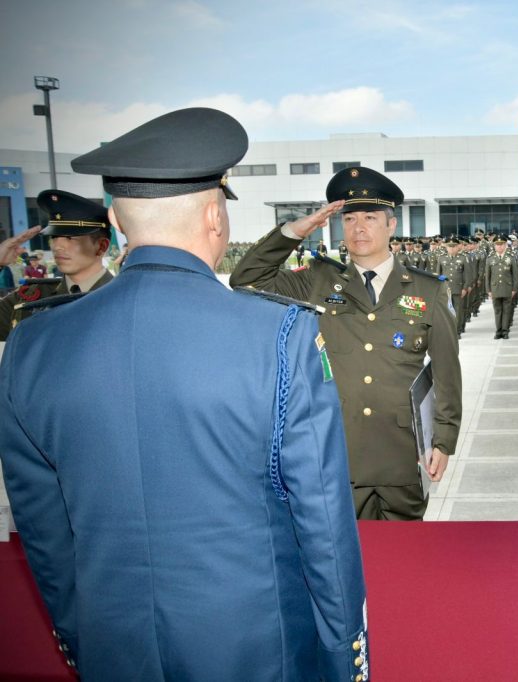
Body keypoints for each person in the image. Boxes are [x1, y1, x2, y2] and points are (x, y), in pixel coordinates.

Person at [0, 107, 368, 680]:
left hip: (113, 642)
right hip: (256, 645)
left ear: (118, 223)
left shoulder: (34, 344)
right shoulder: (279, 333)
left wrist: (83, 640)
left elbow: (44, 531)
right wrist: (346, 654)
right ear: (215, 215)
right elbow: (321, 516)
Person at [231, 166, 461, 521]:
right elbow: (246, 280)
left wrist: (443, 441)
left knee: (404, 561)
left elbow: (446, 371)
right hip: (337, 454)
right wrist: (295, 231)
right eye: (350, 219)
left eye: (370, 217)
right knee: (343, 565)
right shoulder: (319, 280)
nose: (359, 227)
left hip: (401, 457)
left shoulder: (426, 289)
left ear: (391, 225)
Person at [0, 192, 114, 341]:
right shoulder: (29, 298)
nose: (57, 247)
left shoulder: (124, 298)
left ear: (101, 246)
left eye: (70, 238)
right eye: (54, 237)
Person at [485, 235, 518, 339]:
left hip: (507, 289)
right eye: (497, 245)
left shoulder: (511, 258)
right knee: (497, 310)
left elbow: (515, 275)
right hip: (495, 289)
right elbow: (487, 276)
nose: (499, 247)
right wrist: (488, 290)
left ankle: (505, 331)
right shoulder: (490, 259)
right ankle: (498, 330)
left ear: (505, 245)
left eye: (502, 245)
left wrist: (514, 289)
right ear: (494, 246)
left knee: (506, 310)